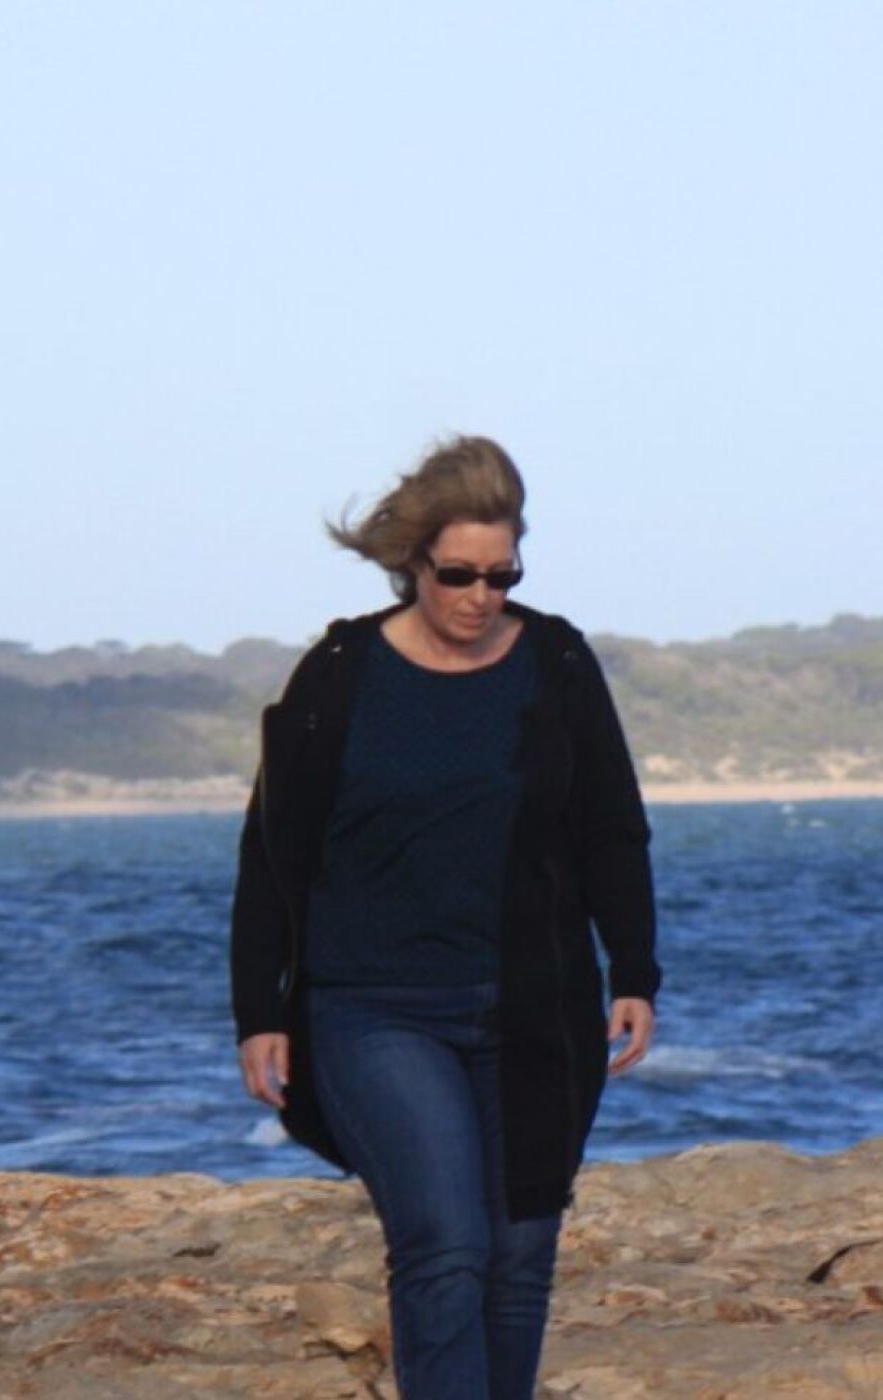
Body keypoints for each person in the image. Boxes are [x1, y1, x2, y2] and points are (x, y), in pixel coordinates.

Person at [228, 435, 660, 1399]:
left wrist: (635, 970)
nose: (480, 596)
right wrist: (258, 1009)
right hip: (374, 1007)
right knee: (445, 1244)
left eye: (501, 576)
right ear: (412, 562)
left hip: (533, 1009)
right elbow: (272, 849)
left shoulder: (555, 661)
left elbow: (611, 829)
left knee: (520, 1256)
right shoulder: (341, 673)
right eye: (457, 574)